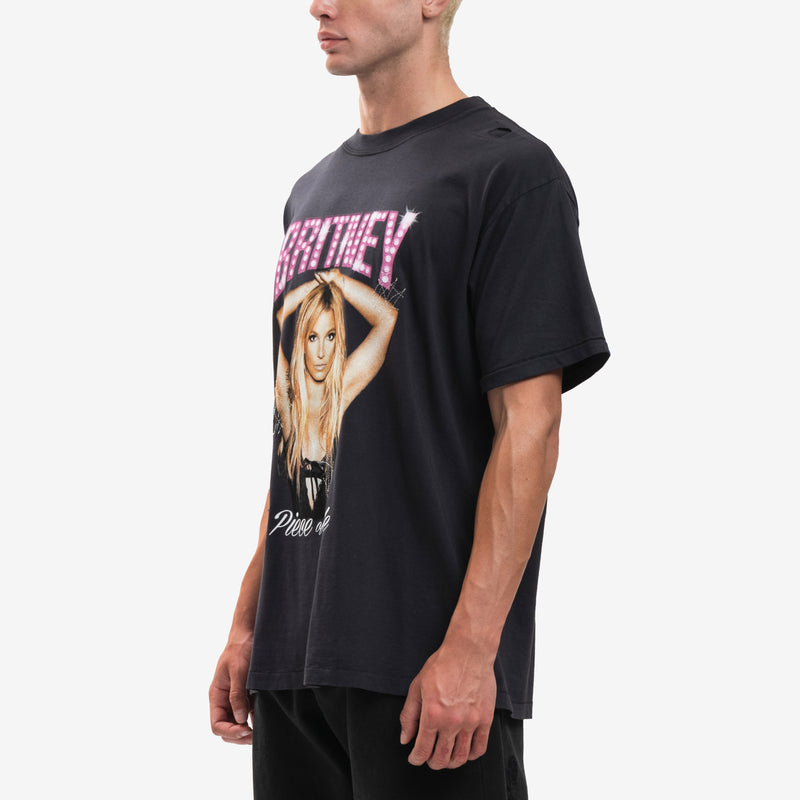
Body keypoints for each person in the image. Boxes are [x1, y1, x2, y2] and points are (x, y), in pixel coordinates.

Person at [210, 1, 610, 797]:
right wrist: (249, 619)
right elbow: (302, 430)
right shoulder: (311, 193)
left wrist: (472, 649)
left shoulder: (508, 173)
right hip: (292, 663)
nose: (320, 5)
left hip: (423, 669)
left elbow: (529, 426)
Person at [275, 269, 398, 519]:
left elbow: (387, 318)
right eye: (312, 337)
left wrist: (340, 282)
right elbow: (281, 316)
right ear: (301, 342)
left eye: (330, 336)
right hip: (293, 544)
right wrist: (311, 288)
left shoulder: (341, 391)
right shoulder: (288, 395)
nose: (321, 352)